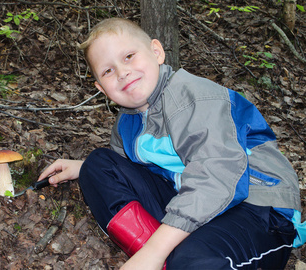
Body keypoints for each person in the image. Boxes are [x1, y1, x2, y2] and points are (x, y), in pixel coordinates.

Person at [38, 18, 305, 269]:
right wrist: (82, 166)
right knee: (98, 165)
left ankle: (160, 253)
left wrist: (156, 249)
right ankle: (161, 257)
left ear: (156, 52)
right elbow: (133, 172)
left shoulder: (194, 97)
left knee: (194, 260)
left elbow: (219, 176)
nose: (122, 72)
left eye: (129, 56)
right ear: (101, 89)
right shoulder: (127, 123)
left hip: (256, 204)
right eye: (108, 71)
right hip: (192, 203)